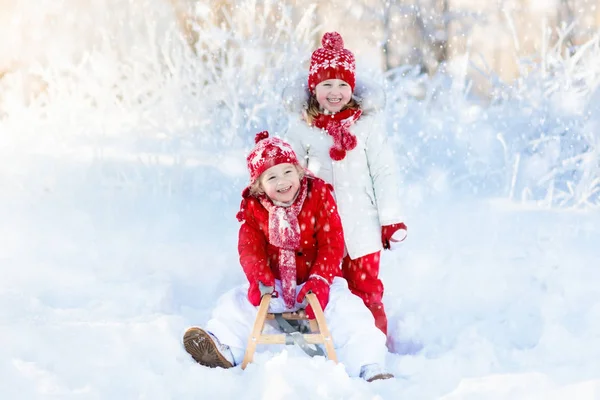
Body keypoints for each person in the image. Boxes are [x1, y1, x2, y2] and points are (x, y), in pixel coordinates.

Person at [182, 131, 393, 381]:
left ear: (299, 171)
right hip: (276, 284)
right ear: (259, 186)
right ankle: (224, 348)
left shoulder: (319, 197)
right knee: (235, 304)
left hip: (318, 282)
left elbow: (332, 242)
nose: (282, 181)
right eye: (271, 176)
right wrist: (260, 279)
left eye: (287, 172)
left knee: (350, 310)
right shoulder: (254, 209)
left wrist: (321, 279)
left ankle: (368, 363)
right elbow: (250, 249)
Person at [282, 32, 407, 337]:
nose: (334, 92)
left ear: (352, 88)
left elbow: (384, 172)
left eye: (342, 84)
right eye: (326, 84)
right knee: (325, 292)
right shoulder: (303, 130)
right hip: (320, 232)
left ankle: (374, 348)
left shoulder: (368, 128)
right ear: (314, 89)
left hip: (362, 230)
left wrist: (390, 219)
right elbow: (289, 174)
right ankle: (326, 348)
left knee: (366, 292)